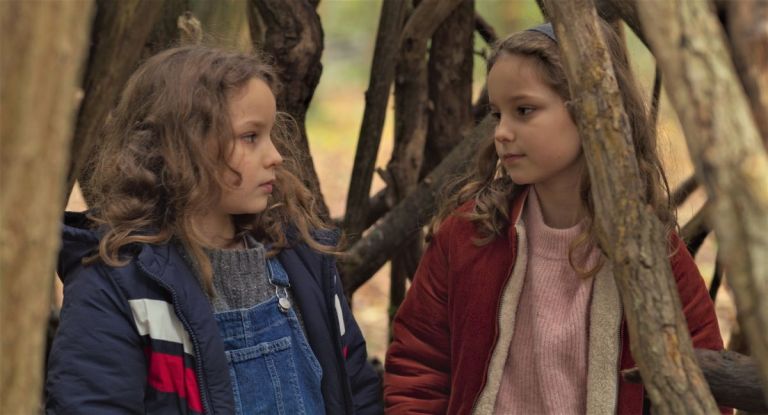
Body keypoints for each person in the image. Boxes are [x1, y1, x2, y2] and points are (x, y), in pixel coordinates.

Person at [384, 21, 725, 414]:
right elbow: (418, 366)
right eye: (497, 114)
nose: (502, 132)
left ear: (590, 111)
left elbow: (703, 389)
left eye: (524, 110)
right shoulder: (468, 236)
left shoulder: (651, 255)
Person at [46, 45, 381, 415]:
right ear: (182, 147)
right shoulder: (117, 285)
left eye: (270, 134)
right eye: (250, 137)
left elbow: (357, 392)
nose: (276, 156)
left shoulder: (303, 261)